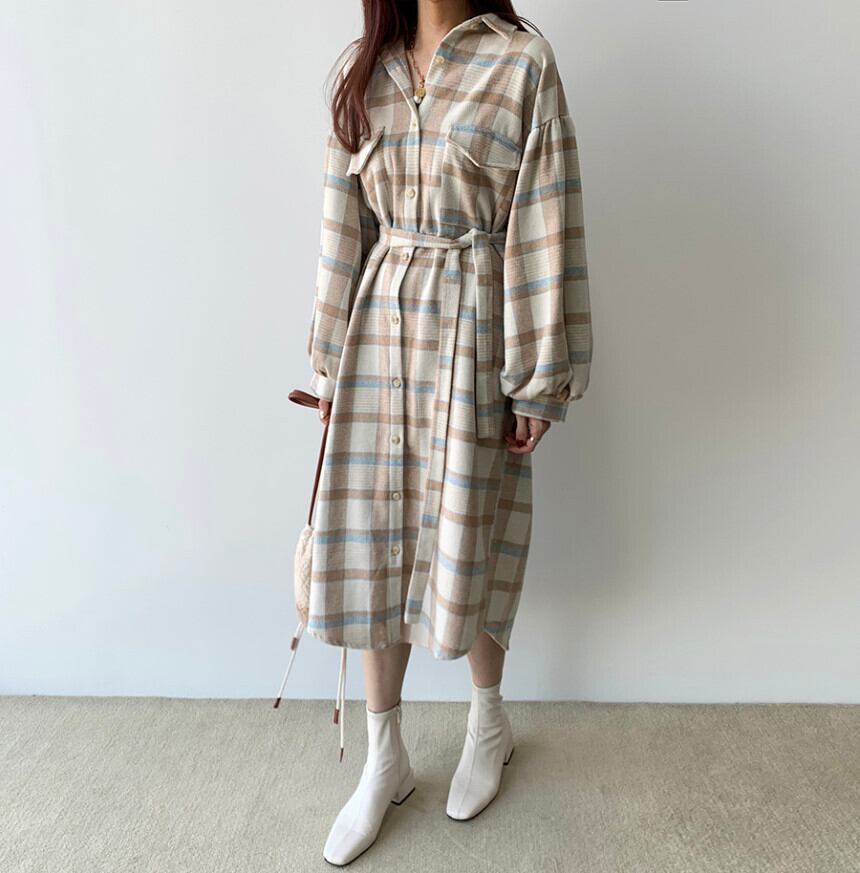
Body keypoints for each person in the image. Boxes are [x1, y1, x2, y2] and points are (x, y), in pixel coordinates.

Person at [304, 0, 592, 865]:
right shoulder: (363, 69)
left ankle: (488, 722)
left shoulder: (523, 63)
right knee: (374, 536)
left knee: (479, 527)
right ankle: (383, 755)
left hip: (476, 327)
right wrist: (328, 360)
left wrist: (538, 378)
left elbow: (547, 223)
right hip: (377, 329)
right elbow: (341, 223)